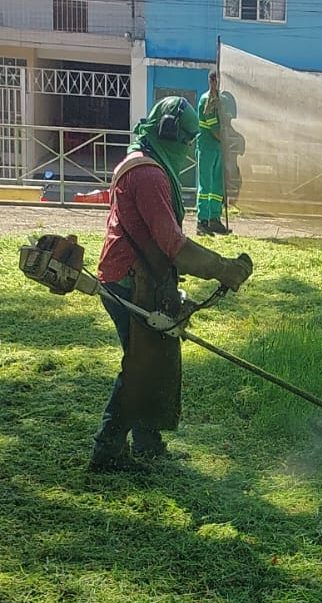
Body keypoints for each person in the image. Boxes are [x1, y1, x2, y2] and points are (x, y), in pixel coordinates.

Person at [90, 96, 253, 472]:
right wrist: (222, 269)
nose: (188, 149)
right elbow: (172, 244)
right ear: (170, 135)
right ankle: (107, 451)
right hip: (130, 281)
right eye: (187, 140)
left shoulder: (143, 161)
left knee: (154, 359)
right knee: (140, 366)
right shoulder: (148, 175)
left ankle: (148, 443)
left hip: (138, 275)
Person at [196, 70, 230, 236]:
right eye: (216, 81)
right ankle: (202, 221)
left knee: (217, 184)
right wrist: (226, 140)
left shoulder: (221, 101)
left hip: (218, 148)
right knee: (206, 184)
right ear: (211, 82)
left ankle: (214, 218)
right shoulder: (206, 101)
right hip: (207, 146)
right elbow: (215, 128)